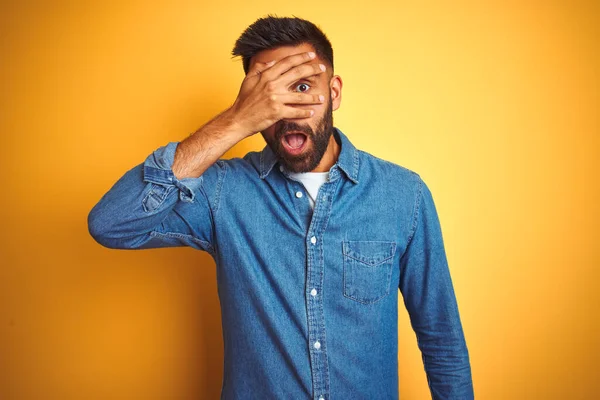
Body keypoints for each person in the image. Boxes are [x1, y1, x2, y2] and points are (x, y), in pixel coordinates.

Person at [88, 15, 474, 400]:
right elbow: (111, 223)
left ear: (334, 92)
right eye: (267, 95)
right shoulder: (224, 192)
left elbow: (441, 337)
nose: (286, 111)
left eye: (302, 87)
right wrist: (236, 121)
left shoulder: (402, 195)